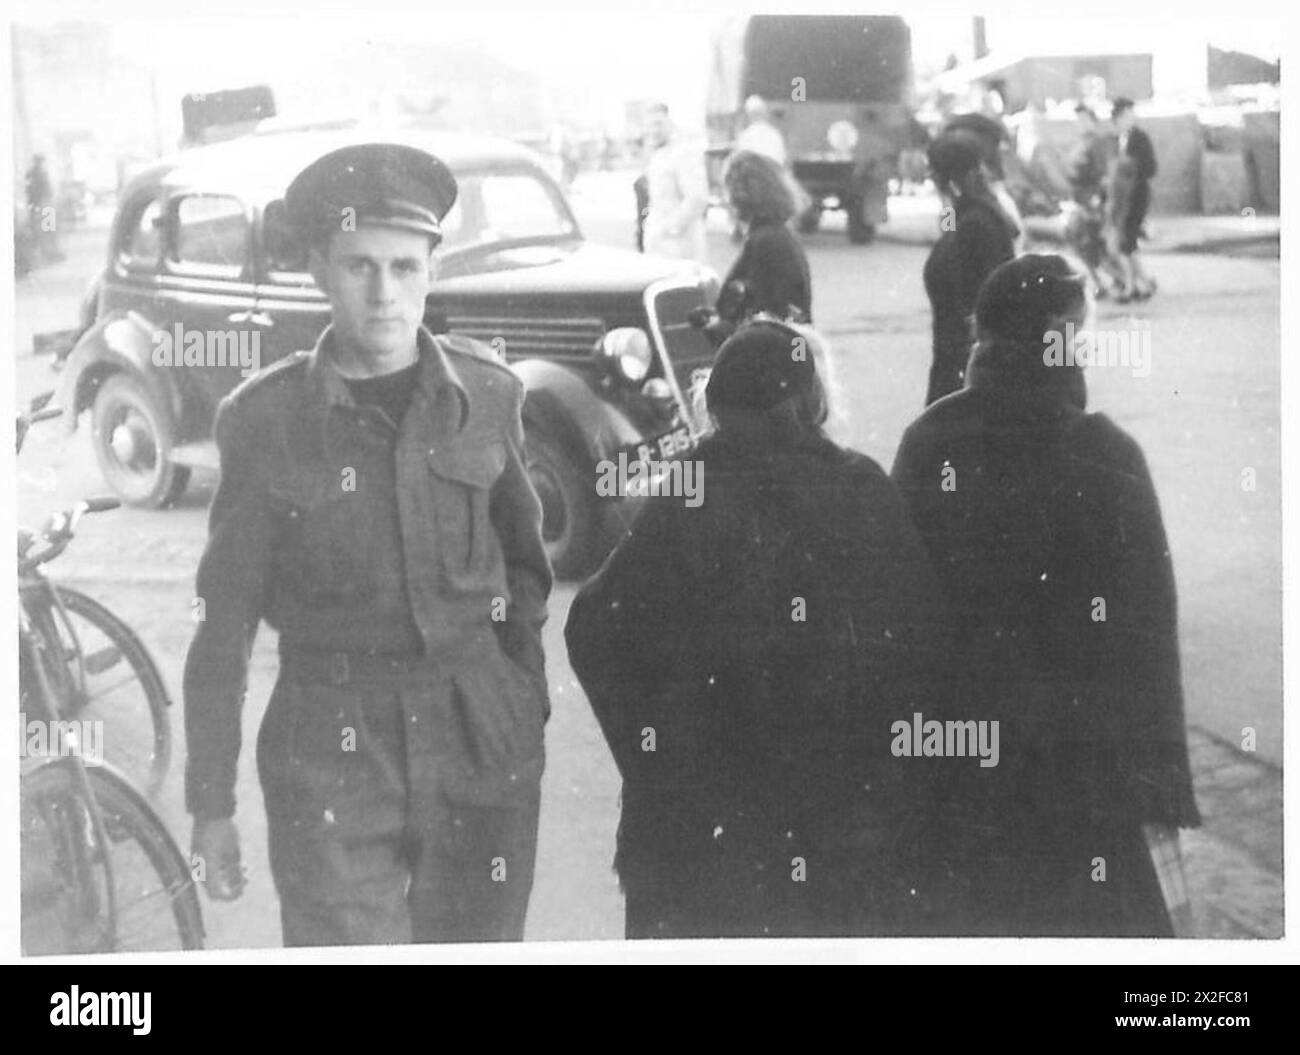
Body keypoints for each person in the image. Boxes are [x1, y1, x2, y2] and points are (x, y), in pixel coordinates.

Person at [183, 143, 553, 946]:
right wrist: (209, 801)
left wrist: (519, 697)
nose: (385, 293)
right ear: (318, 266)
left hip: (478, 732)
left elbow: (525, 569)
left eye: (404, 266)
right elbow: (222, 624)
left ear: (431, 267)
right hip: (331, 750)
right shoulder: (264, 422)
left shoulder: (487, 395)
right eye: (359, 265)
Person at [566, 320, 954, 939]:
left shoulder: (686, 494)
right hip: (844, 837)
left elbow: (593, 628)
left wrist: (657, 760)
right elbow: (922, 646)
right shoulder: (859, 489)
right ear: (810, 399)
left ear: (715, 404)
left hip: (705, 849)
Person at [891, 254, 1201, 936]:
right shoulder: (1105, 453)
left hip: (965, 770)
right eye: (1077, 330)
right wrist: (1156, 782)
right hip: (1083, 776)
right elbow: (1146, 635)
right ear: (1056, 338)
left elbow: (899, 614)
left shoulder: (928, 442)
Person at [922, 131, 1018, 406]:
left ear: (944, 177)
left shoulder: (975, 224)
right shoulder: (973, 212)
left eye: (933, 172)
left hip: (965, 364)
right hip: (961, 358)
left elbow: (980, 300)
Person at [696, 150, 811, 347]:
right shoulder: (777, 235)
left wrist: (714, 328)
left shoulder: (765, 242)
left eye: (726, 189)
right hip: (792, 354)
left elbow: (767, 318)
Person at [1065, 104, 1124, 298]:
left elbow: (1103, 175)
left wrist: (1096, 200)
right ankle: (1106, 282)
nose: (1080, 124)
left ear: (1093, 121)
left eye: (1084, 120)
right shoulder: (1081, 142)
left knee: (1091, 245)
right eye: (1077, 120)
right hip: (1080, 200)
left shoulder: (1097, 144)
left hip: (1091, 201)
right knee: (1084, 244)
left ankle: (1119, 280)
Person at [640, 102, 709, 261]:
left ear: (670, 123)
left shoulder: (684, 153)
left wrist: (669, 228)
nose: (653, 130)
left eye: (658, 124)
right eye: (649, 125)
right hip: (659, 243)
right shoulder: (656, 156)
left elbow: (697, 198)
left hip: (681, 243)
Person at [1109, 97, 1159, 301]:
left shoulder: (1140, 138)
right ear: (1118, 118)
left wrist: (1132, 169)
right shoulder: (1119, 139)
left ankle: (1131, 288)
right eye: (1126, 116)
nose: (1130, 119)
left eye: (1131, 115)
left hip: (1136, 196)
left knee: (1126, 242)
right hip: (1122, 198)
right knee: (1127, 242)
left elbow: (1151, 168)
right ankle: (1144, 283)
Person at [734, 95, 787, 167]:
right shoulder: (775, 134)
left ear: (748, 116)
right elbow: (782, 161)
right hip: (773, 176)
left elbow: (739, 163)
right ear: (764, 113)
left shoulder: (745, 137)